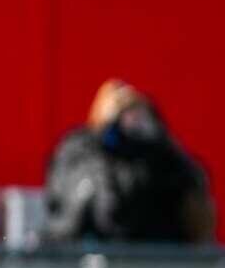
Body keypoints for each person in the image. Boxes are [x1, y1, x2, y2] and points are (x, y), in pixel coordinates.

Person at [43, 79, 213, 244]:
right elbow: (106, 211)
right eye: (126, 114)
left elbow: (192, 190)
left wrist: (158, 143)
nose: (134, 122)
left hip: (157, 253)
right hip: (95, 249)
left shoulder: (160, 154)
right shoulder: (83, 148)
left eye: (140, 115)